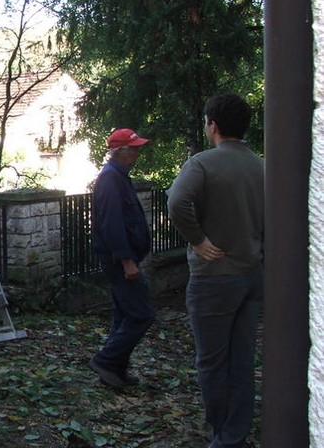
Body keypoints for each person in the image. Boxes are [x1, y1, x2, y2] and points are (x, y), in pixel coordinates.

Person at [167, 93, 264, 448]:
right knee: (242, 359)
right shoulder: (262, 166)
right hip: (252, 275)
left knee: (212, 360)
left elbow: (177, 201)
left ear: (213, 125)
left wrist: (198, 240)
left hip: (214, 278)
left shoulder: (202, 164)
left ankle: (221, 435)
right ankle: (236, 433)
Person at [88, 128, 155, 390]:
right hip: (119, 261)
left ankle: (114, 371)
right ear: (120, 151)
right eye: (134, 148)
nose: (138, 153)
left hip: (122, 259)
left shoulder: (118, 176)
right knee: (141, 314)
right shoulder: (110, 179)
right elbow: (112, 223)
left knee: (124, 314)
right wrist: (126, 260)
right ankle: (106, 360)